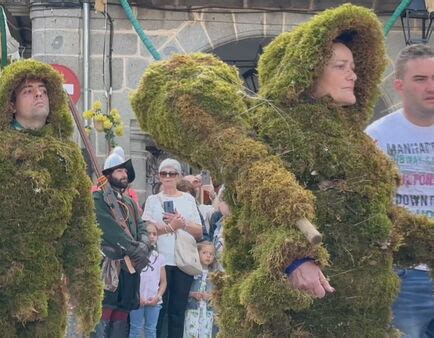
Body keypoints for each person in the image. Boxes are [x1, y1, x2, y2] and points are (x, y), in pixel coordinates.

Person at [132, 4, 433, 336]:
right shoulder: (273, 137)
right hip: (297, 317)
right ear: (309, 72)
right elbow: (254, 216)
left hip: (362, 314)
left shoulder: (356, 144)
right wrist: (293, 259)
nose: (353, 74)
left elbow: (374, 220)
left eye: (354, 66)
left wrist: (426, 240)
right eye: (340, 66)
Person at [0, 59, 102, 336]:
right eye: (28, 90)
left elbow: (81, 226)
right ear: (10, 104)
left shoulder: (67, 156)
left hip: (46, 288)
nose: (39, 94)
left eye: (43, 90)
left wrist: (84, 284)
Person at [365, 44, 434, 337]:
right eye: (420, 79)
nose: (431, 86)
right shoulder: (377, 137)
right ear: (399, 85)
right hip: (406, 273)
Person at [92, 147, 150, 337]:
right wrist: (133, 247)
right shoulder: (98, 198)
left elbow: (141, 226)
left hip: (130, 265)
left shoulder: (130, 202)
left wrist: (143, 243)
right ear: (108, 174)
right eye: (119, 170)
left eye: (125, 170)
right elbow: (108, 228)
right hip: (110, 263)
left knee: (123, 310)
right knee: (105, 310)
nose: (124, 174)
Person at [142, 158, 203, 337]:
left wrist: (182, 224)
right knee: (158, 310)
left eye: (172, 173)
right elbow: (146, 231)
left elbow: (199, 232)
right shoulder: (153, 200)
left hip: (182, 262)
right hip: (159, 262)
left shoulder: (189, 200)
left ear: (178, 176)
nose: (167, 177)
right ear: (159, 176)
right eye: (163, 173)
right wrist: (170, 227)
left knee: (178, 311)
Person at [129, 223, 167, 338]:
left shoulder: (160, 258)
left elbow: (164, 281)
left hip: (154, 300)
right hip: (137, 299)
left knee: (151, 330)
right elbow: (131, 277)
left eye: (154, 234)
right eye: (148, 233)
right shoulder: (135, 256)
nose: (151, 236)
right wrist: (137, 296)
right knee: (135, 329)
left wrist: (158, 297)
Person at [183, 242, 216, 337]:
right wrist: (193, 294)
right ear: (197, 253)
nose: (208, 256)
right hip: (192, 310)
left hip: (207, 313)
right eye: (204, 252)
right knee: (190, 333)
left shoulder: (214, 275)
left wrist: (210, 296)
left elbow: (218, 294)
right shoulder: (192, 272)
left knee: (205, 334)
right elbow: (184, 291)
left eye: (211, 254)